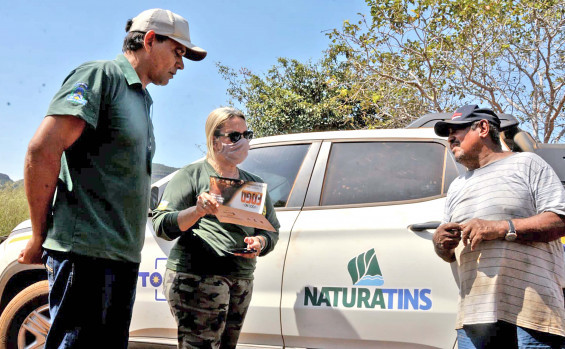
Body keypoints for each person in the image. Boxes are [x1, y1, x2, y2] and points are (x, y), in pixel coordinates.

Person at [19, 8, 206, 349]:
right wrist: (39, 234)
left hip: (121, 257)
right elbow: (42, 150)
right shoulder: (100, 76)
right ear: (150, 40)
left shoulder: (142, 98)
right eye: (178, 52)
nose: (180, 64)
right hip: (86, 253)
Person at [432, 104, 565, 349]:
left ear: (482, 127)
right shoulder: (457, 186)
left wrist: (502, 227)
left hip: (532, 313)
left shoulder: (527, 165)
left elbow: (559, 220)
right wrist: (441, 244)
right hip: (474, 316)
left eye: (456, 130)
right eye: (448, 133)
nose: (450, 138)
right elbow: (447, 254)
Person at [152, 107, 280, 349]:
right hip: (197, 278)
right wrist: (197, 210)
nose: (242, 141)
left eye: (246, 134)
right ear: (215, 139)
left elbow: (270, 230)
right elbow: (161, 225)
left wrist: (261, 243)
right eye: (234, 136)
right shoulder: (191, 175)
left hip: (241, 278)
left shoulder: (253, 184)